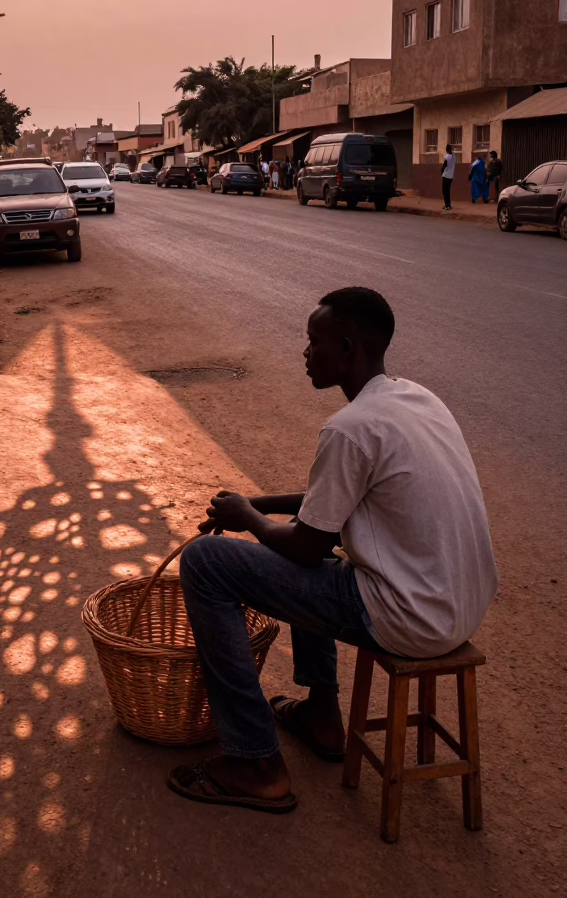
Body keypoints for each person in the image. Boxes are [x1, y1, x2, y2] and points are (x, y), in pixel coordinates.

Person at [166, 287, 498, 813]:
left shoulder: (351, 427)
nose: (304, 352)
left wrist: (248, 519)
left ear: (347, 349)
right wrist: (256, 504)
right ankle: (322, 714)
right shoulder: (416, 399)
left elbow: (304, 544)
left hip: (409, 617)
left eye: (313, 341)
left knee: (207, 563)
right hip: (459, 606)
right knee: (312, 553)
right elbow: (329, 509)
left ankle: (256, 762)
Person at [441, 143, 455, 210]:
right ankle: (448, 204)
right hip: (451, 176)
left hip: (446, 176)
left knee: (445, 191)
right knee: (447, 191)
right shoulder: (453, 156)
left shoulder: (447, 156)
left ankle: (447, 205)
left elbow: (444, 165)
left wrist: (441, 170)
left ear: (446, 149)